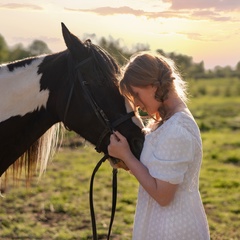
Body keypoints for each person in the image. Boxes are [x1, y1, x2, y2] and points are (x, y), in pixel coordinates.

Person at [108, 51, 210, 240]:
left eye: (136, 95)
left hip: (174, 228)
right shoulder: (165, 122)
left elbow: (163, 196)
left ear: (153, 85)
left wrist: (128, 157)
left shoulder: (177, 130)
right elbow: (157, 175)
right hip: (159, 223)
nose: (136, 104)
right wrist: (126, 161)